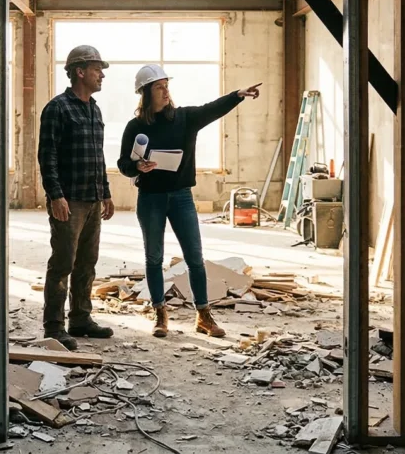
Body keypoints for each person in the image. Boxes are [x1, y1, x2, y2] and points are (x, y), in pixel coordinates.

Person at [118, 64, 260, 339]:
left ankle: (204, 315)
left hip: (181, 196)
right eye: (159, 87)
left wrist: (238, 95)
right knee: (153, 257)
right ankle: (160, 313)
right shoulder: (136, 127)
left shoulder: (184, 119)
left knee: (195, 258)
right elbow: (124, 163)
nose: (165, 91)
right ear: (146, 93)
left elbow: (212, 108)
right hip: (151, 197)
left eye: (166, 86)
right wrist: (138, 168)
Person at [38, 45, 116, 350]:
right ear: (79, 71)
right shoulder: (57, 108)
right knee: (62, 263)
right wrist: (55, 195)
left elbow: (98, 155)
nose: (102, 76)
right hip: (69, 201)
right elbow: (48, 156)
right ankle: (53, 326)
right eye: (97, 70)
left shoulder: (94, 109)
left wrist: (105, 192)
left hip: (92, 198)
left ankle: (81, 318)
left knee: (87, 262)